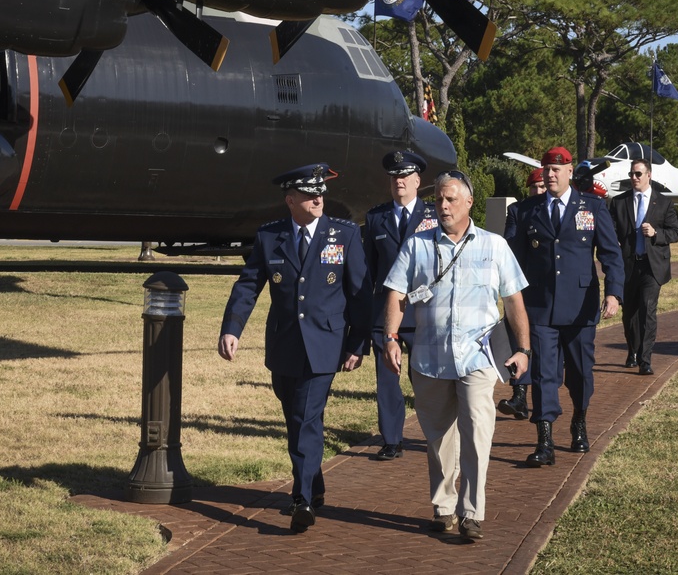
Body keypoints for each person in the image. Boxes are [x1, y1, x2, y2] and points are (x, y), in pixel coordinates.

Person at [218, 163, 372, 533]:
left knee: (305, 417)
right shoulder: (271, 236)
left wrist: (358, 342)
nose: (318, 198)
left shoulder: (344, 235)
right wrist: (232, 328)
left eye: (320, 192)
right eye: (308, 193)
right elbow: (249, 283)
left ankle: (301, 499)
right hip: (284, 345)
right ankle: (315, 482)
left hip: (325, 345)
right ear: (290, 200)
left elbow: (360, 295)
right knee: (297, 419)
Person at [382, 171, 531, 540]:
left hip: (477, 359)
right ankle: (444, 506)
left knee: (478, 434)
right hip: (430, 360)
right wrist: (389, 336)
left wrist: (523, 349)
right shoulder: (417, 246)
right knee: (438, 439)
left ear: (468, 203)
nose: (443, 206)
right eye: (439, 201)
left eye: (450, 200)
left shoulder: (494, 246)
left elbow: (513, 300)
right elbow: (396, 293)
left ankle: (470, 512)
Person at [506, 147, 624, 466]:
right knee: (545, 373)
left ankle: (579, 420)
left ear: (571, 171)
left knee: (581, 374)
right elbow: (511, 262)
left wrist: (613, 293)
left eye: (557, 169)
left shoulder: (593, 207)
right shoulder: (524, 211)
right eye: (546, 169)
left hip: (580, 307)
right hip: (540, 308)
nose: (551, 174)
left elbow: (611, 254)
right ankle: (545, 440)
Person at [363, 150, 436, 460]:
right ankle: (392, 440)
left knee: (426, 380)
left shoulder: (433, 216)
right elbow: (367, 269)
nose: (399, 182)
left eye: (405, 176)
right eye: (394, 177)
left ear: (418, 181)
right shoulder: (375, 217)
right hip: (386, 314)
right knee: (387, 382)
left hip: (422, 311)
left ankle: (435, 434)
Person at [609, 159, 678, 375]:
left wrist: (656, 233)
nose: (634, 178)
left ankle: (645, 359)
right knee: (629, 313)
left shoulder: (664, 202)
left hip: (652, 266)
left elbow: (675, 232)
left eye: (638, 174)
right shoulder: (619, 202)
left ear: (649, 175)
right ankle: (632, 350)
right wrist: (615, 240)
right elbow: (610, 229)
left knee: (648, 310)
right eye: (632, 174)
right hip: (628, 265)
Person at [498, 167, 546, 420]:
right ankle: (518, 395)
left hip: (545, 289)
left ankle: (537, 396)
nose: (538, 191)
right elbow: (509, 242)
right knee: (516, 339)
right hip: (519, 285)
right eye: (534, 187)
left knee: (539, 344)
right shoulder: (517, 211)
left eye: (542, 187)